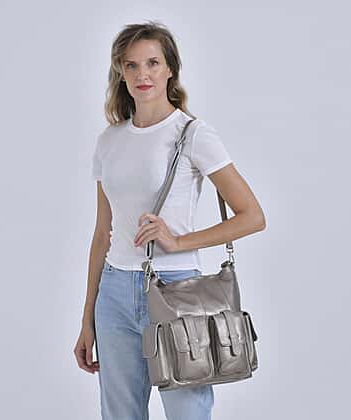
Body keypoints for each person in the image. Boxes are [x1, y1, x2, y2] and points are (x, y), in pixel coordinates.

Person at [74, 20, 266, 420]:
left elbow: (252, 216)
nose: (142, 74)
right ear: (120, 72)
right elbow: (101, 234)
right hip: (113, 293)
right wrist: (87, 318)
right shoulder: (109, 140)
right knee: (120, 414)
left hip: (178, 289)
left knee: (187, 413)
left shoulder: (192, 134)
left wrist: (179, 242)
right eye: (131, 65)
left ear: (170, 70)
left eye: (152, 63)